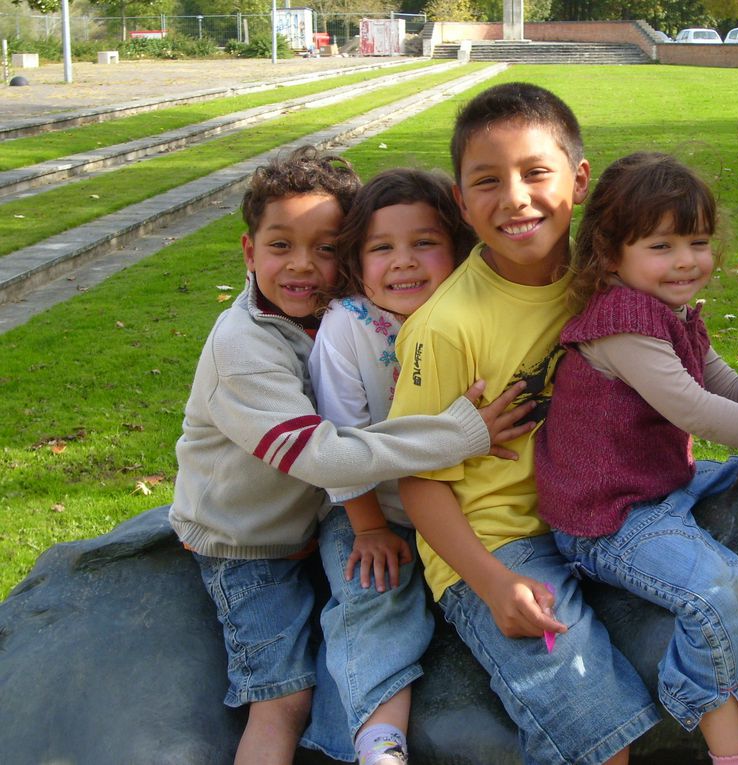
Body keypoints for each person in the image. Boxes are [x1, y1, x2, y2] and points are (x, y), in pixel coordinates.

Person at [168, 146, 533, 765]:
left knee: (353, 624)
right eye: (280, 246)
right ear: (248, 252)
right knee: (282, 696)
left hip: (318, 520)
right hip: (252, 544)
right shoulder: (242, 349)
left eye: (328, 246)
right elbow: (325, 456)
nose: (304, 266)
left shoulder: (335, 317)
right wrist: (460, 433)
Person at [534, 151, 738, 764]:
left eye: (697, 241)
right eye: (661, 246)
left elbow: (728, 389)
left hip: (664, 484)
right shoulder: (621, 325)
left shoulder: (673, 315)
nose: (686, 260)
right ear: (612, 255)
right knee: (715, 587)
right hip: (608, 518)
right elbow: (694, 410)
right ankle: (731, 749)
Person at [388, 83, 660, 765]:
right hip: (500, 539)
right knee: (600, 739)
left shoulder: (606, 280)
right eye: (488, 180)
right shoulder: (445, 328)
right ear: (461, 199)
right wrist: (488, 581)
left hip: (597, 505)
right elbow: (417, 479)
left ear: (579, 178)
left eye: (536, 172)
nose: (515, 198)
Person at [307, 168, 476, 765]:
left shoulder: (472, 311)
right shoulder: (348, 326)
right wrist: (369, 527)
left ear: (458, 248)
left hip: (468, 509)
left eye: (424, 243)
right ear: (357, 260)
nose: (403, 262)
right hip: (374, 510)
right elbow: (338, 440)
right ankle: (381, 744)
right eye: (382, 248)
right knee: (373, 599)